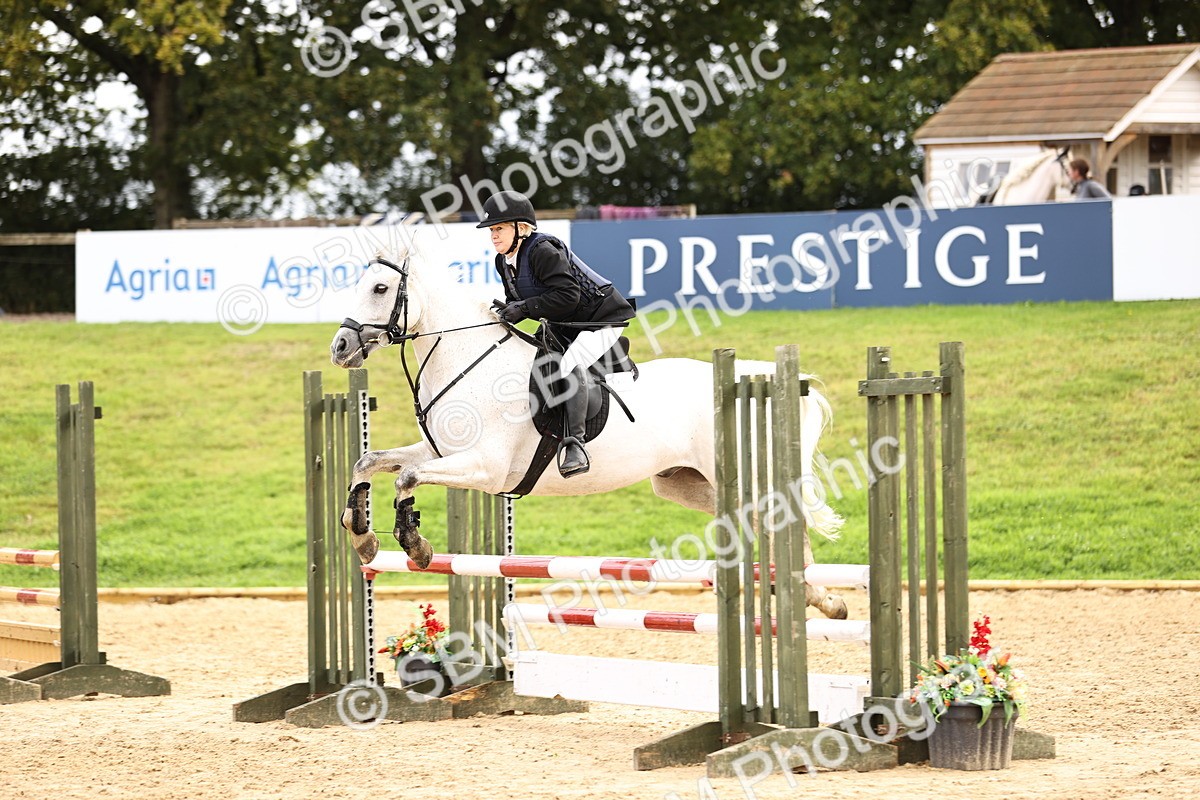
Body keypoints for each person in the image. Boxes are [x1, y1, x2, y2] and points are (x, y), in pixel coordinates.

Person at [478, 190, 635, 478]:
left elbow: (568, 296)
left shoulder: (542, 250)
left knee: (569, 364)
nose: (494, 236)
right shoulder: (504, 261)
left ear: (520, 228)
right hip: (564, 323)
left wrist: (523, 308)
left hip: (600, 320)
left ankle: (575, 444)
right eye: (491, 230)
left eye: (499, 228)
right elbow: (521, 301)